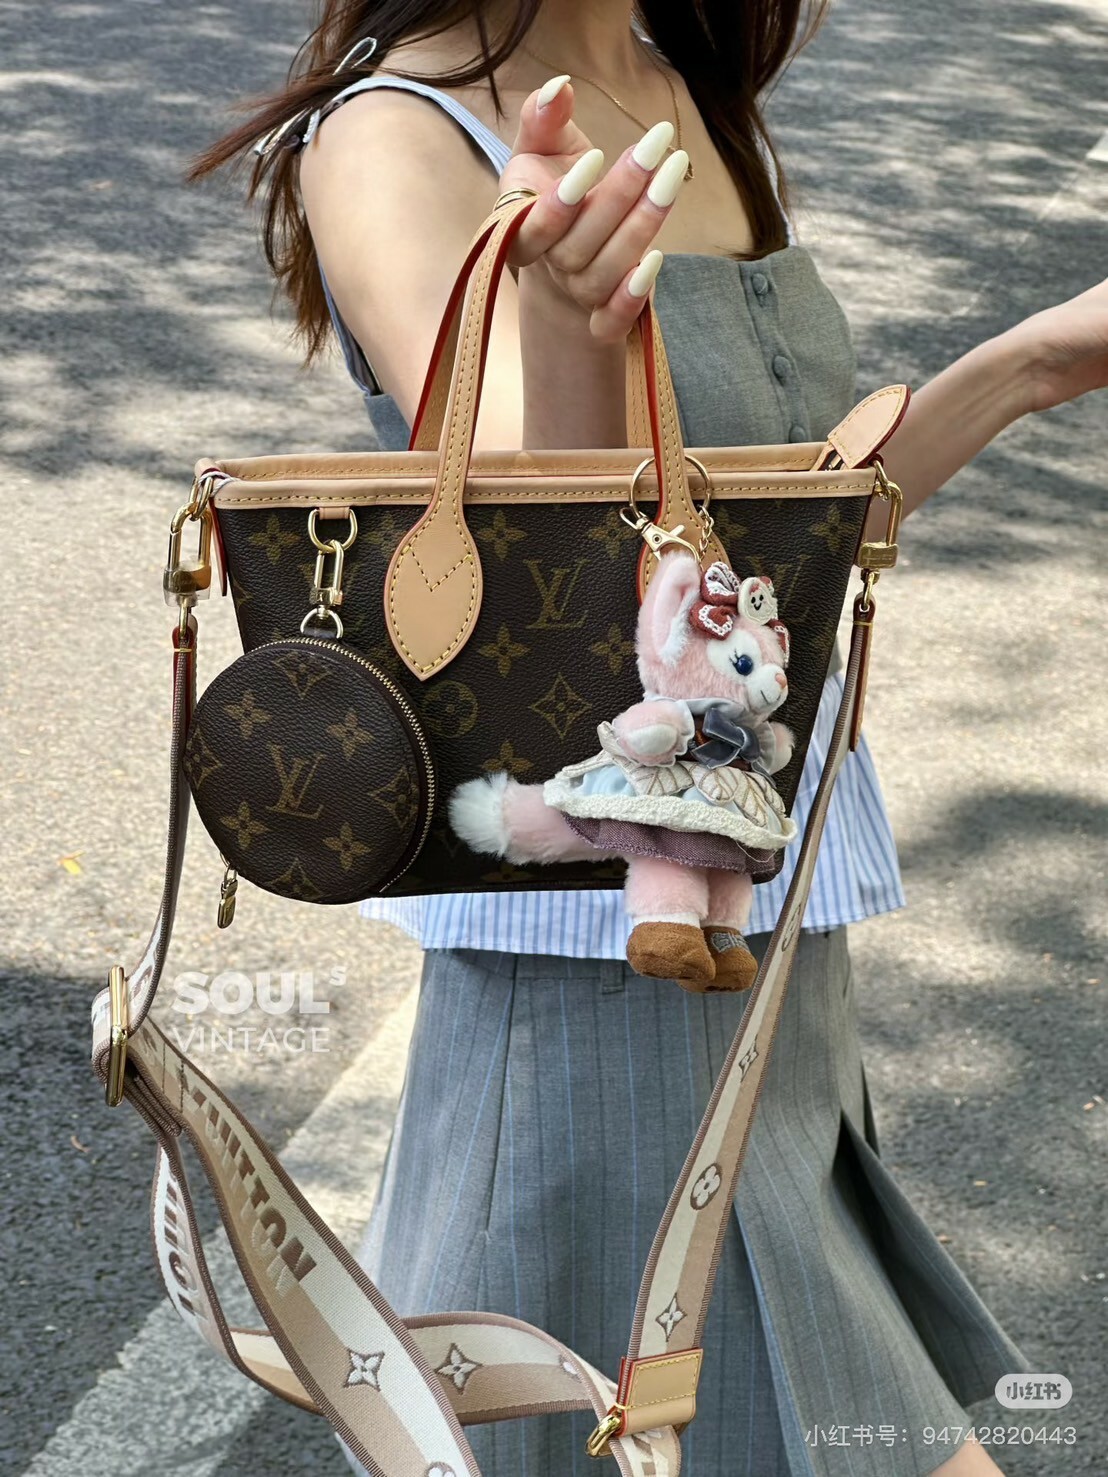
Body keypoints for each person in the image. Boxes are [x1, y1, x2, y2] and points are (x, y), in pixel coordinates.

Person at [193, 2, 1107, 1472]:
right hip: (592, 1001)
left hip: (773, 947)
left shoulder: (684, 89)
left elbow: (773, 542)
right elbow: (546, 574)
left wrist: (1034, 365)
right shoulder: (389, 137)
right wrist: (567, 331)